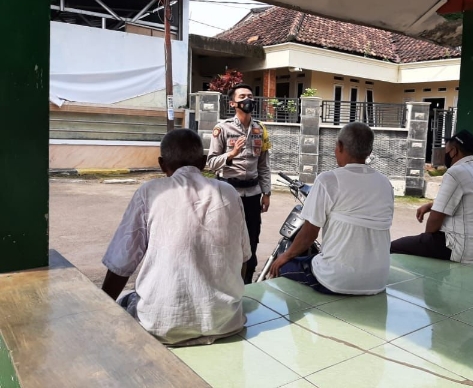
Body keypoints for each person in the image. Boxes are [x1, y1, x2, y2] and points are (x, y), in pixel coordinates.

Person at [101, 128, 251, 346]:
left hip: (162, 326)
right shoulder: (229, 192)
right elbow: (243, 259)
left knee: (127, 300)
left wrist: (100, 308)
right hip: (225, 322)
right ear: (203, 162)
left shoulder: (150, 192)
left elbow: (121, 263)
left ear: (162, 164)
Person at [269, 122, 395, 295]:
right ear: (370, 151)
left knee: (282, 265)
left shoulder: (328, 180)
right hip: (378, 280)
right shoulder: (385, 183)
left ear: (340, 147)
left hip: (336, 280)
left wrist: (285, 256)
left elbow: (309, 234)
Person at [390, 129, 473, 263]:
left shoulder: (455, 172)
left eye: (446, 151)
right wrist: (431, 205)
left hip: (460, 248)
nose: (445, 155)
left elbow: (435, 218)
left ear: (454, 151)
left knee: (392, 247)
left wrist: (426, 241)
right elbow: (468, 202)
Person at [207, 83, 272, 284]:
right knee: (225, 239)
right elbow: (211, 163)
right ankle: (225, 282)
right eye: (242, 96)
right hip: (228, 192)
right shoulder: (222, 128)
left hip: (252, 194)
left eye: (250, 96)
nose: (248, 100)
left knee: (252, 239)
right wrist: (231, 154)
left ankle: (247, 284)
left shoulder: (260, 129)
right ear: (233, 103)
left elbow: (264, 165)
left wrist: (267, 193)